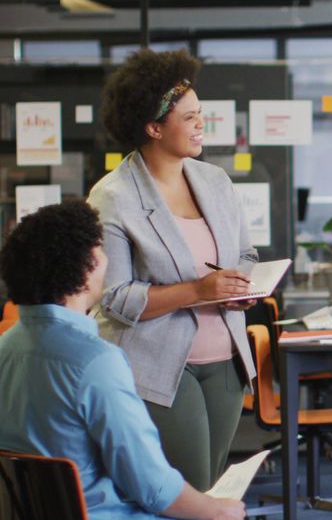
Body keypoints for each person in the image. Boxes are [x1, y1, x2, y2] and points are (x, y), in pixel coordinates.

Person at [0, 202, 291, 520]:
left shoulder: (5, 349)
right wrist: (217, 510)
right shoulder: (96, 361)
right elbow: (152, 488)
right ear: (87, 268)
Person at [86, 49, 258, 492]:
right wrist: (199, 291)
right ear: (154, 127)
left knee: (215, 485)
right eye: (189, 117)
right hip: (158, 365)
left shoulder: (216, 181)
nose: (202, 124)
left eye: (201, 114)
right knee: (190, 488)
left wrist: (243, 284)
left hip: (225, 360)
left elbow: (247, 255)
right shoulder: (114, 197)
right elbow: (117, 299)